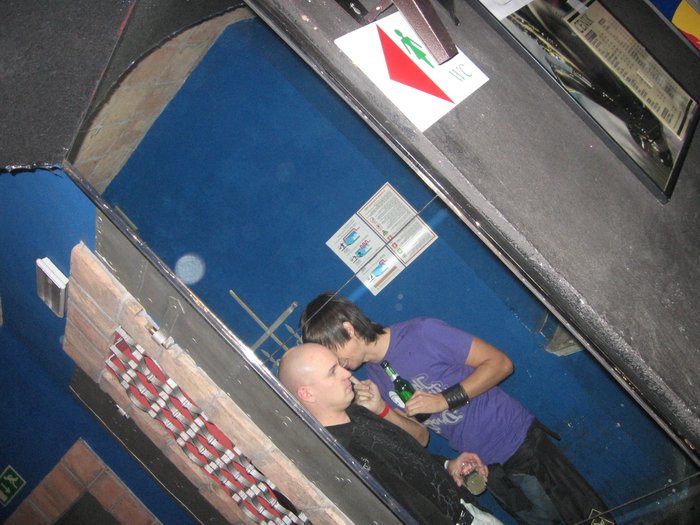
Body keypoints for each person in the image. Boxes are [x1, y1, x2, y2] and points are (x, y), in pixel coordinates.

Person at [299, 292, 611, 525]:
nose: (337, 363)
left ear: (348, 329)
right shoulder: (375, 377)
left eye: (332, 351)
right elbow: (420, 437)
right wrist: (382, 410)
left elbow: (501, 364)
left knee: (591, 519)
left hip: (520, 443)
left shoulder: (421, 332)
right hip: (485, 468)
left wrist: (443, 400)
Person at [278, 342, 503, 525]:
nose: (346, 373)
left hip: (470, 511)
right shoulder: (333, 457)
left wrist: (447, 466)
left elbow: (407, 458)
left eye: (339, 365)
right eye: (332, 372)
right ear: (307, 393)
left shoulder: (357, 411)